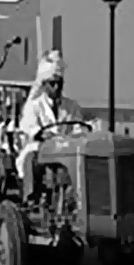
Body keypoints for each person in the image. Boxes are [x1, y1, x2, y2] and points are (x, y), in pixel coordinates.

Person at [15, 51, 86, 190]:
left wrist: (75, 136)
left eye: (59, 83)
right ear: (44, 84)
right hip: (40, 150)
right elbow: (28, 127)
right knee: (31, 160)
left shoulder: (72, 106)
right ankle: (31, 197)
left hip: (67, 150)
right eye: (52, 83)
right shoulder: (34, 105)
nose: (56, 87)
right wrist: (40, 134)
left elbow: (79, 128)